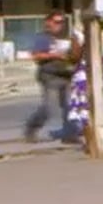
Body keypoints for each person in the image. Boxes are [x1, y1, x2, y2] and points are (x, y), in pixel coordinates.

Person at [23, 11, 77, 143]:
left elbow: (75, 53)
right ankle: (32, 127)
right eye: (57, 22)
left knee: (70, 106)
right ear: (49, 23)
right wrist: (55, 55)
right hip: (49, 75)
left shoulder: (68, 38)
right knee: (49, 107)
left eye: (62, 22)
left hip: (66, 74)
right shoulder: (43, 38)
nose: (60, 25)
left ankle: (69, 134)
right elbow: (36, 56)